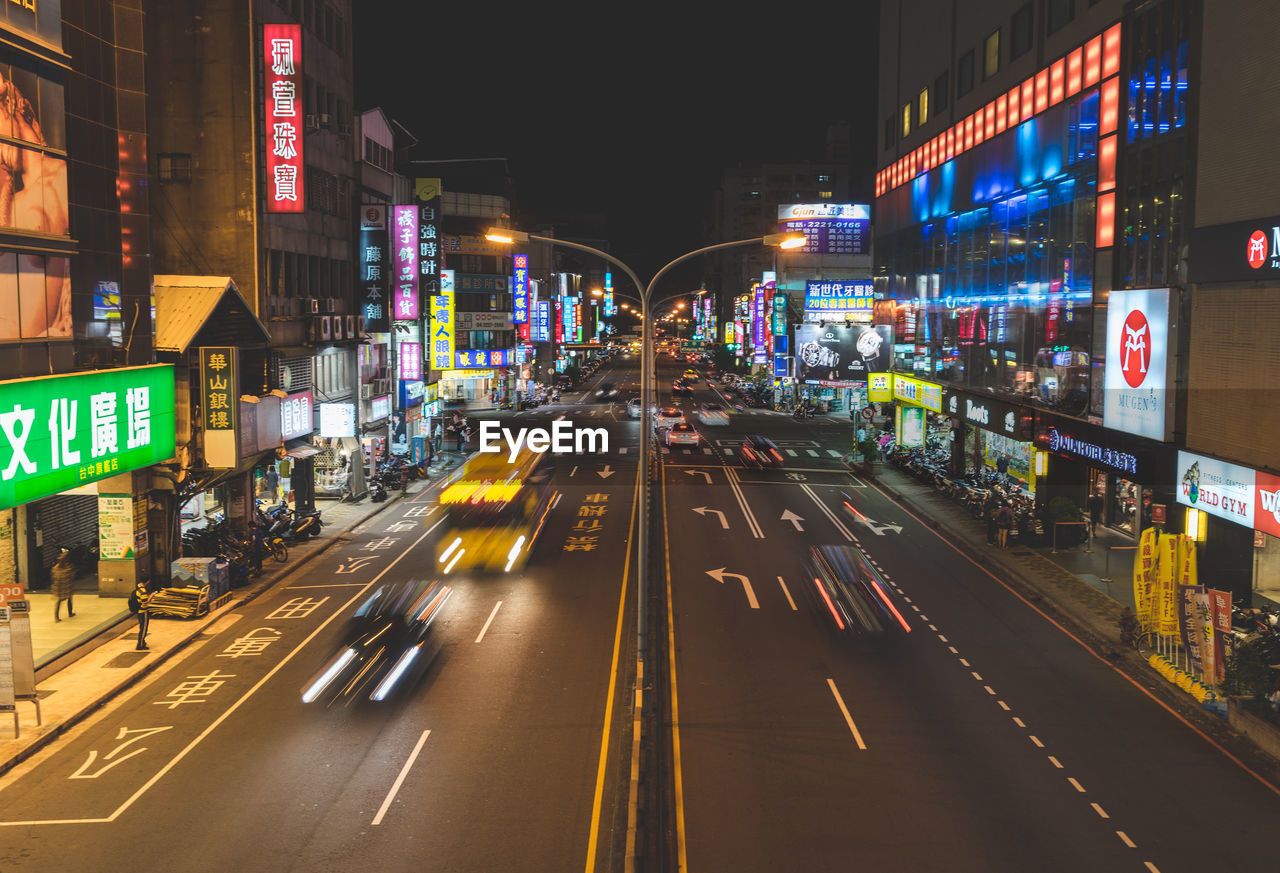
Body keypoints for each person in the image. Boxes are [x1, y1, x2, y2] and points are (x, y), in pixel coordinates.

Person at [51, 548, 76, 621]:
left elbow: (53, 577)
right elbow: (71, 575)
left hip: (60, 587)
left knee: (60, 601)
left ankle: (57, 617)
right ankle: (69, 613)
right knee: (68, 599)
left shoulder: (55, 568)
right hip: (65, 587)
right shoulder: (67, 568)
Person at [129, 580, 154, 651]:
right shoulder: (143, 591)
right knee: (144, 629)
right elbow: (145, 602)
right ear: (146, 582)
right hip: (143, 612)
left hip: (139, 611)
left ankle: (142, 642)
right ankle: (140, 645)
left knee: (142, 627)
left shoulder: (138, 588)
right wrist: (151, 596)